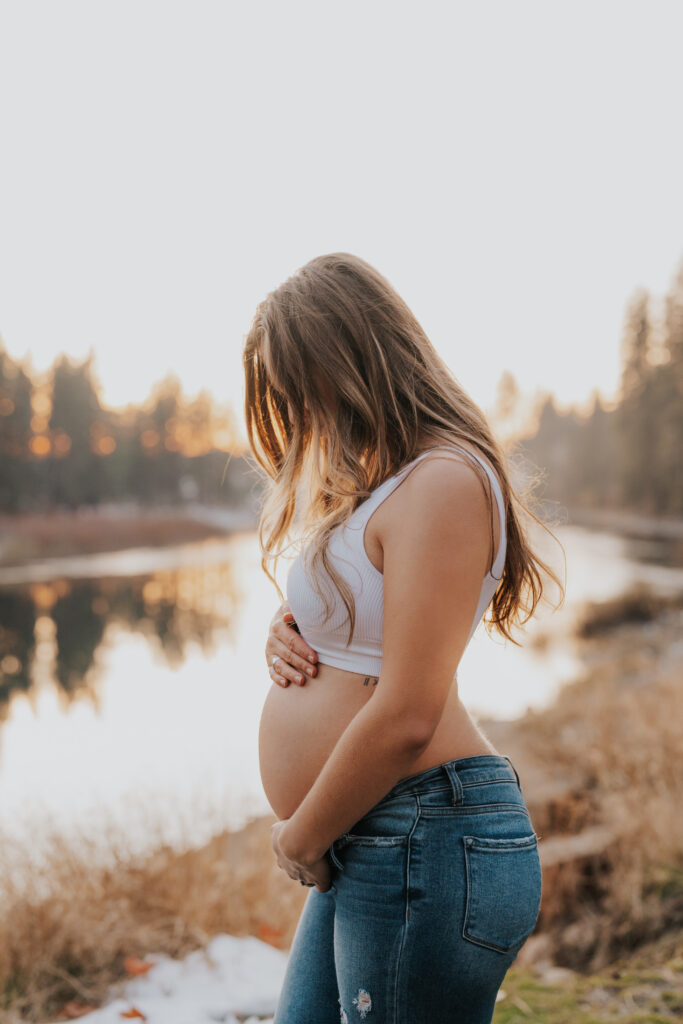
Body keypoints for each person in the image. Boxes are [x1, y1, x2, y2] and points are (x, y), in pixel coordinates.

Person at [242, 252, 564, 1023]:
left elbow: (409, 709)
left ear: (347, 363)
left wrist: (300, 837)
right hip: (380, 831)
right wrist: (291, 630)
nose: (296, 417)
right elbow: (369, 633)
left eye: (296, 391)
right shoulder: (391, 484)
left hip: (426, 832)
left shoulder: (445, 481)